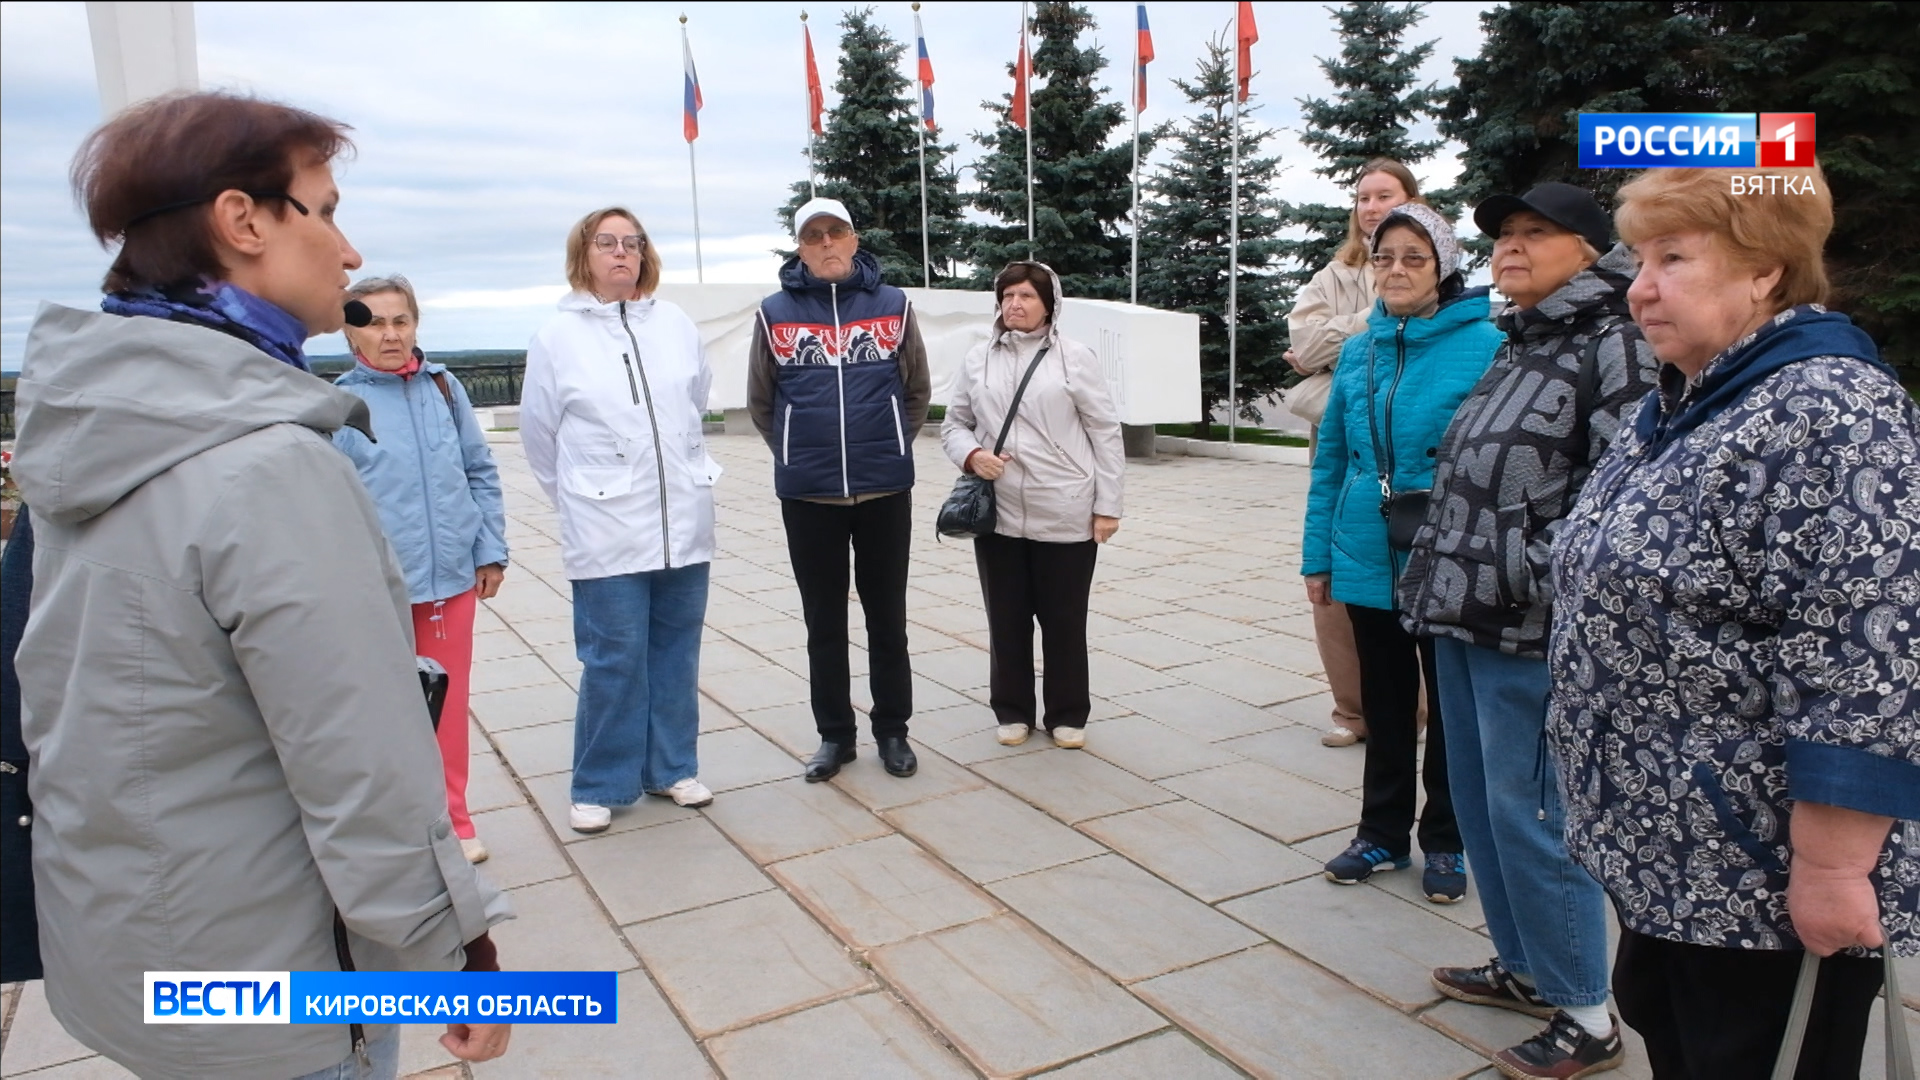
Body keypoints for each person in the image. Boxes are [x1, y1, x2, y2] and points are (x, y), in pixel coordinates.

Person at [10, 91, 511, 1079]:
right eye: (322, 210)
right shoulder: (266, 466)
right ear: (243, 222)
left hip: (136, 958)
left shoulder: (100, 429)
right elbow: (361, 765)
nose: (350, 250)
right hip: (275, 989)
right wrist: (456, 959)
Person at [1547, 163, 1918, 1078]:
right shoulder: (1685, 398)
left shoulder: (1831, 410)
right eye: (1639, 259)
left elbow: (1863, 658)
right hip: (1669, 852)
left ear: (1765, 272)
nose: (1640, 286)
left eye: (1673, 257)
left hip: (1755, 871)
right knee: (1677, 1041)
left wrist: (1832, 871)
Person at [1399, 183, 1661, 1078]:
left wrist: (1528, 571)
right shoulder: (1524, 339)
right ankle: (1525, 968)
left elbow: (1626, 485)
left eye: (1533, 234)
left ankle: (1588, 1013)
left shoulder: (1615, 339)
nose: (1510, 248)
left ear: (1589, 250)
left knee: (1536, 813)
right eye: (1504, 235)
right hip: (1462, 613)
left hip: (1531, 627)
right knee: (1481, 806)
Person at [1301, 204, 1500, 904]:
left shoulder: (1486, 343)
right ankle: (1381, 834)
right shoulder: (1360, 349)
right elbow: (1331, 460)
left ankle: (1447, 840)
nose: (1395, 270)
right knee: (1383, 711)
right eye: (1384, 257)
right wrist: (1317, 555)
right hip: (1365, 549)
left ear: (1443, 267)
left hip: (1447, 554)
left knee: (1450, 712)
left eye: (1414, 257)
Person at [521, 207, 720, 832]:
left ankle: (672, 768)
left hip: (683, 524)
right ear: (584, 255)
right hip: (605, 532)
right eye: (607, 243)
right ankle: (600, 782)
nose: (622, 254)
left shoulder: (675, 323)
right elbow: (538, 435)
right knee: (614, 656)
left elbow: (696, 398)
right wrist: (579, 503)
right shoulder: (558, 336)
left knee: (676, 652)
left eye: (632, 244)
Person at [747, 197, 931, 783]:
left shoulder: (893, 305)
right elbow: (762, 400)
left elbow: (917, 389)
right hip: (809, 496)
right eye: (813, 236)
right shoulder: (774, 313)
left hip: (883, 490)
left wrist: (890, 444)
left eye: (837, 232)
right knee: (822, 622)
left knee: (888, 618)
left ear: (854, 240)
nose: (826, 244)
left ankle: (892, 730)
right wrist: (798, 452)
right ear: (800, 247)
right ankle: (834, 736)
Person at [333, 274, 509, 864]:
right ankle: (397, 829)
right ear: (350, 330)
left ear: (415, 325)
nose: (389, 334)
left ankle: (454, 822)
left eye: (400, 320)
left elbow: (478, 470)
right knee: (385, 711)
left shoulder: (444, 387)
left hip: (452, 581)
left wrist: (489, 549)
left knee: (446, 709)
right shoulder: (340, 405)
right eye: (374, 322)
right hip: (381, 588)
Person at [941, 261, 1125, 750]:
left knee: (1064, 619)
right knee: (1006, 617)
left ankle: (1067, 712)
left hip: (1064, 507)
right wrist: (973, 455)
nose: (1015, 305)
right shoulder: (978, 358)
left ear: (1049, 304)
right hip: (998, 513)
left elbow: (1104, 431)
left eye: (1025, 296)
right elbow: (953, 424)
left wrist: (1108, 505)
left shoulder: (1074, 357)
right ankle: (1013, 709)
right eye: (1007, 296)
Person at [1285, 158, 1421, 749]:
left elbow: (1323, 349)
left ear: (1412, 199)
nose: (1371, 206)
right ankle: (1355, 712)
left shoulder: (1438, 265)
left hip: (1414, 445)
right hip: (1345, 451)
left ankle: (1422, 712)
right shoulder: (1335, 274)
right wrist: (1373, 316)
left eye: (1383, 195)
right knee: (1337, 581)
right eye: (1363, 197)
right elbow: (1302, 341)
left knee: (1417, 581)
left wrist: (1334, 342)